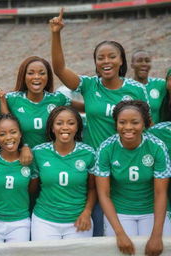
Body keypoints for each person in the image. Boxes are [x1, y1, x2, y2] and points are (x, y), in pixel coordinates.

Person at [49, 8, 149, 236]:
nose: (106, 61)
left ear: (121, 60)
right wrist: (56, 34)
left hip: (125, 162)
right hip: (95, 164)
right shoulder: (89, 85)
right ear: (95, 62)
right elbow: (60, 69)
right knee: (97, 221)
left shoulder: (136, 89)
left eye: (111, 56)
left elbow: (146, 128)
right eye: (100, 57)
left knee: (126, 221)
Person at [95, 100, 171, 256]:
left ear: (144, 124)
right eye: (122, 122)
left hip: (151, 211)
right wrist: (120, 233)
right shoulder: (106, 148)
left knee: (156, 250)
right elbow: (104, 194)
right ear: (116, 124)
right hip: (120, 212)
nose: (128, 127)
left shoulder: (157, 147)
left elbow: (160, 193)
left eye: (135, 122)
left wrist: (157, 235)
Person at [31, 106, 96, 241]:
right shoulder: (38, 152)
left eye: (71, 123)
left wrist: (87, 212)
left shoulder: (88, 153)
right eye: (59, 123)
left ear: (78, 127)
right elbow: (32, 188)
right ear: (52, 127)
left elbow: (92, 188)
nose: (65, 127)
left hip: (78, 220)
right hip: (44, 220)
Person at [0, 114, 37, 243]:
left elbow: (32, 189)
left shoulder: (30, 159)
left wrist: (26, 147)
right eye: (2, 134)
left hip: (20, 222)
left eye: (13, 132)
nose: (8, 137)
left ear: (20, 134)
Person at [4, 56, 84, 149]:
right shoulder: (11, 99)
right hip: (22, 160)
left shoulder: (58, 99)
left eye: (42, 73)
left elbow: (87, 108)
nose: (37, 77)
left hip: (50, 159)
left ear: (48, 77)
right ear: (23, 76)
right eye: (30, 73)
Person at [131, 50, 168, 124]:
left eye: (147, 61)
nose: (144, 64)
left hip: (157, 133)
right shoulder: (126, 86)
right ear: (132, 65)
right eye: (139, 61)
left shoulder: (160, 84)